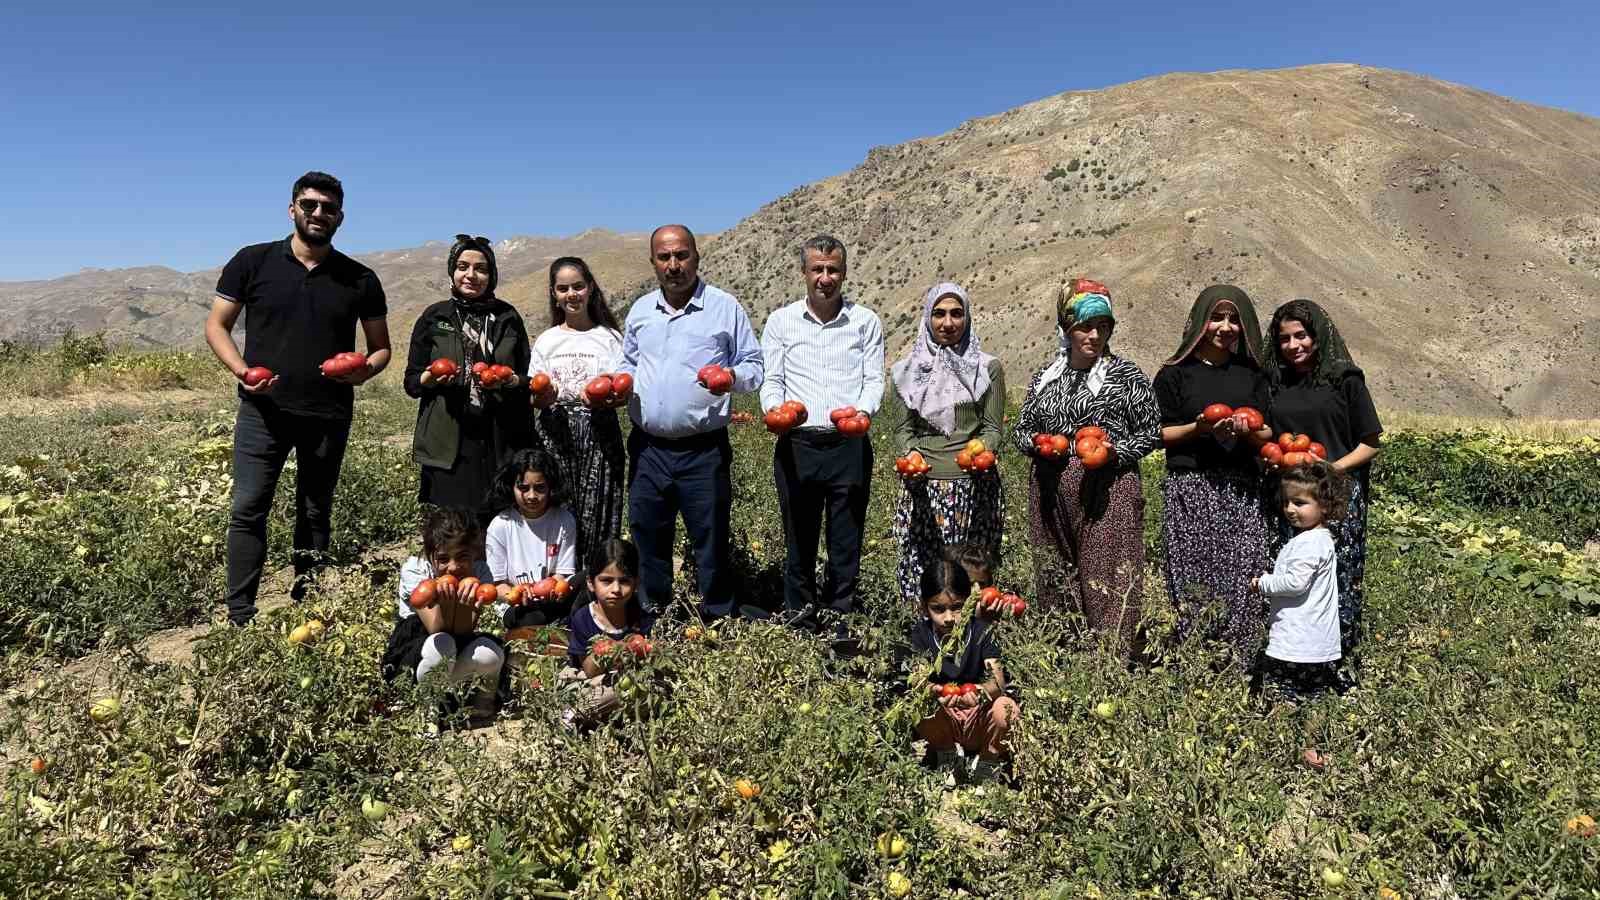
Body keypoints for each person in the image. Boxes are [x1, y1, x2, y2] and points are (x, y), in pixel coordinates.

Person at [204, 171, 391, 626]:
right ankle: (240, 614)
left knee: (314, 510)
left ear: (340, 217)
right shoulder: (252, 262)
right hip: (262, 411)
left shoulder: (359, 278)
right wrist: (242, 371)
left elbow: (381, 346)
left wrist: (365, 371)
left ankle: (308, 607)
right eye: (310, 205)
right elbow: (217, 326)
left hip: (327, 413)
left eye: (328, 208)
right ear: (293, 209)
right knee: (249, 507)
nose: (318, 214)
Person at [619, 225, 763, 619]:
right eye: (664, 257)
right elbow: (627, 363)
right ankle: (653, 618)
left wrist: (730, 377)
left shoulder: (724, 307)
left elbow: (754, 365)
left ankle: (717, 616)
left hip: (704, 450)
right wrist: (620, 384)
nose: (673, 265)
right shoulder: (641, 311)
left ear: (697, 257)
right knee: (648, 535)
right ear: (653, 263)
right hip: (648, 448)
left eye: (681, 255)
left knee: (711, 537)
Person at [1009, 278, 1161, 654]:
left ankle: (1110, 665)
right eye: (1084, 326)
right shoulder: (1047, 377)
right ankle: (1065, 662)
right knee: (1056, 575)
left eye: (1103, 327)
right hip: (1049, 489)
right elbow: (1022, 429)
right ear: (1066, 327)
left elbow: (1151, 432)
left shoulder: (1126, 376)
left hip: (1107, 489)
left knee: (1106, 576)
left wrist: (1114, 454)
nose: (1094, 335)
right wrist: (1039, 446)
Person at [759, 235, 885, 634]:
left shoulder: (865, 321)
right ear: (804, 273)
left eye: (833, 270)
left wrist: (862, 413)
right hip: (798, 442)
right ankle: (800, 620)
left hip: (848, 443)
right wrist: (774, 414)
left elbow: (873, 380)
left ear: (844, 273)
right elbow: (771, 380)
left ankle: (839, 621)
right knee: (799, 538)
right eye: (817, 269)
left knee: (845, 541)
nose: (825, 277)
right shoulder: (781, 321)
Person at [1154, 285, 1275, 669]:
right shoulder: (1174, 375)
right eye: (1217, 317)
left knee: (1244, 576)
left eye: (1234, 319)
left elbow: (1269, 432)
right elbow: (1158, 433)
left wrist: (1248, 431)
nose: (1225, 327)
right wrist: (1199, 428)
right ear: (1199, 323)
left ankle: (1241, 667)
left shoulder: (1253, 375)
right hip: (1191, 487)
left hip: (1242, 490)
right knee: (1193, 577)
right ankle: (1196, 666)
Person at [1261, 299, 1382, 664]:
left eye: (1302, 336)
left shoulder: (1344, 380)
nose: (1294, 345)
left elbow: (1370, 444)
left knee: (1337, 579)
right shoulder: (1274, 383)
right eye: (1285, 339)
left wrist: (1331, 469)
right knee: (1292, 579)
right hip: (1291, 496)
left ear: (1319, 337)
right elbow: (1269, 434)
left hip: (1337, 495)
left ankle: (1338, 661)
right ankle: (1291, 660)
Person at [890, 283, 1007, 606]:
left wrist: (980, 449)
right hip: (924, 487)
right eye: (939, 314)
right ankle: (922, 644)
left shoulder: (988, 368)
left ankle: (973, 647)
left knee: (972, 576)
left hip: (975, 487)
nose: (948, 322)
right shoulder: (905, 372)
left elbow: (994, 428)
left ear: (967, 318)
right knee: (923, 572)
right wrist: (910, 454)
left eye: (957, 314)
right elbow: (902, 431)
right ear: (927, 318)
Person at [404, 235, 532, 511]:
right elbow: (412, 383)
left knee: (497, 522)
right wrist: (430, 378)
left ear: (492, 275)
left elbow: (527, 378)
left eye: (481, 269)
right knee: (452, 529)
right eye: (462, 267)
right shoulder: (435, 317)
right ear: (452, 272)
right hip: (449, 440)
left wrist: (511, 380)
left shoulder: (508, 317)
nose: (470, 275)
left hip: (499, 440)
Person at [527, 256, 627, 566]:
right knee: (558, 508)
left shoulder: (611, 338)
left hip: (600, 430)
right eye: (563, 288)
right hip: (555, 433)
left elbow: (624, 391)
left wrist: (607, 398)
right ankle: (558, 581)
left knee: (600, 508)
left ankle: (596, 580)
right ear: (554, 294)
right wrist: (544, 396)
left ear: (591, 288)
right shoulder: (547, 340)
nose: (572, 294)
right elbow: (534, 395)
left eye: (578, 286)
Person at [381, 507, 506, 722]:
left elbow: (464, 631)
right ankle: (426, 712)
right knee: (443, 643)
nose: (453, 567)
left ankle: (482, 704)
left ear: (474, 554)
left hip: (456, 642)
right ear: (430, 556)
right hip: (417, 648)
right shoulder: (416, 570)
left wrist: (465, 602)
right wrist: (446, 601)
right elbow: (436, 629)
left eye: (462, 557)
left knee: (491, 653)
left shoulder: (480, 572)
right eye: (443, 559)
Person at [903, 555, 1019, 777]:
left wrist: (980, 692)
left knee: (1007, 709)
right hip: (945, 721)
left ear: (969, 602)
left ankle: (988, 760)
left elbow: (998, 681)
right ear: (924, 608)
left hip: (979, 718)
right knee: (914, 705)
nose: (949, 618)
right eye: (938, 609)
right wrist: (933, 690)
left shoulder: (983, 631)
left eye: (957, 607)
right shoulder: (920, 635)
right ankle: (946, 753)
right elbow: (918, 679)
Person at [1251, 461, 1349, 703]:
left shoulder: (1309, 543)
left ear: (1325, 506)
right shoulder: (1320, 539)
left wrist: (1263, 583)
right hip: (1314, 641)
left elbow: (1295, 584)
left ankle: (1282, 733)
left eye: (1300, 503)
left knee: (1282, 694)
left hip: (1298, 642)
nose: (1290, 509)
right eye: (1286, 502)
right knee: (1313, 698)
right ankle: (1310, 736)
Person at [560, 538, 653, 729]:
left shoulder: (643, 620)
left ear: (636, 583)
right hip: (591, 683)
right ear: (591, 583)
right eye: (606, 581)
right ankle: (578, 715)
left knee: (650, 687)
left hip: (628, 685)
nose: (616, 590)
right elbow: (591, 669)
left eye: (624, 581)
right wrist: (627, 648)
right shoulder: (583, 618)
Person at [484, 449, 578, 629]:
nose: (532, 496)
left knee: (590, 578)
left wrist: (553, 588)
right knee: (530, 618)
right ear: (511, 487)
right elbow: (498, 585)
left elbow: (564, 573)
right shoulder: (500, 525)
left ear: (551, 487)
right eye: (523, 488)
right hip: (517, 606)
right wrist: (517, 594)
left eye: (540, 488)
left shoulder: (564, 520)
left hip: (552, 599)